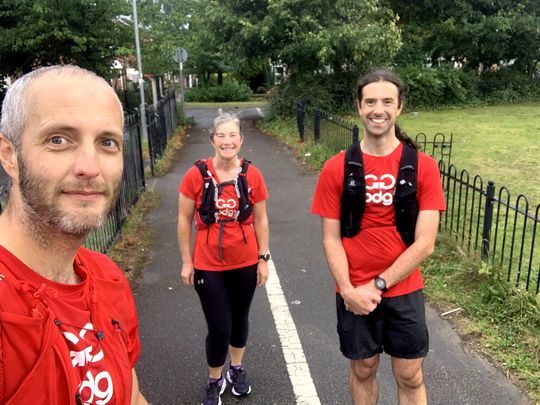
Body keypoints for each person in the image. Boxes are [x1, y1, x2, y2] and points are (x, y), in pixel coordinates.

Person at [0, 65, 148, 405]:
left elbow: (131, 394)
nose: (89, 166)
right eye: (58, 140)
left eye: (106, 142)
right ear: (10, 155)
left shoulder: (107, 278)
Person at [311, 68, 446, 405]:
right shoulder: (336, 168)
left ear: (399, 107)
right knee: (363, 368)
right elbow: (331, 239)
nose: (378, 109)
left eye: (387, 101)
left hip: (404, 289)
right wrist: (348, 290)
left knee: (410, 375)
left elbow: (425, 243)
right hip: (353, 289)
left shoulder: (423, 167)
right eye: (370, 101)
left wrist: (379, 284)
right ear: (358, 107)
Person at [177, 113, 270, 405]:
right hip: (208, 263)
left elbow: (261, 218)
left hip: (244, 261)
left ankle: (237, 368)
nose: (227, 141)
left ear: (241, 140)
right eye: (221, 136)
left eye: (232, 136)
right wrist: (186, 261)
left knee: (240, 318)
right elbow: (184, 218)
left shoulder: (252, 175)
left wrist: (263, 258)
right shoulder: (196, 174)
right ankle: (214, 379)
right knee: (219, 326)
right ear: (212, 140)